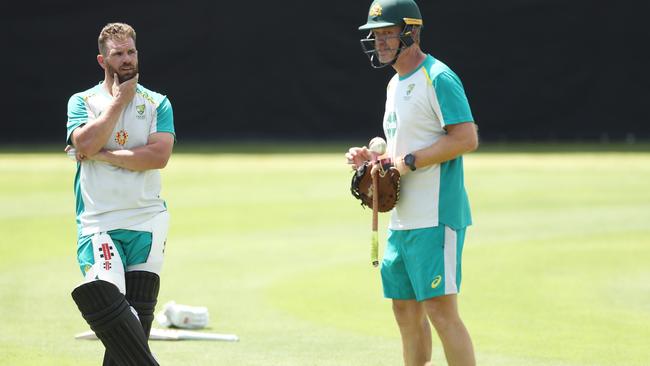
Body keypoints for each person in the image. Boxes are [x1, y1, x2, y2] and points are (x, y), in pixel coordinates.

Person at [346, 1, 478, 365]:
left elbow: (466, 138)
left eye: (387, 33)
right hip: (401, 220)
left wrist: (408, 162)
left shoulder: (438, 77)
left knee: (441, 312)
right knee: (404, 311)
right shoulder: (394, 83)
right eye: (376, 35)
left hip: (435, 215)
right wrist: (374, 160)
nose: (380, 41)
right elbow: (404, 147)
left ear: (411, 32)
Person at [66, 22, 175, 366]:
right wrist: (118, 103)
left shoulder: (158, 103)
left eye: (131, 52)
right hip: (99, 220)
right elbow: (84, 142)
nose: (126, 59)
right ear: (102, 60)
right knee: (106, 301)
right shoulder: (83, 101)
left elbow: (157, 157)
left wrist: (103, 155)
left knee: (137, 320)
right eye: (118, 54)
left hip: (147, 218)